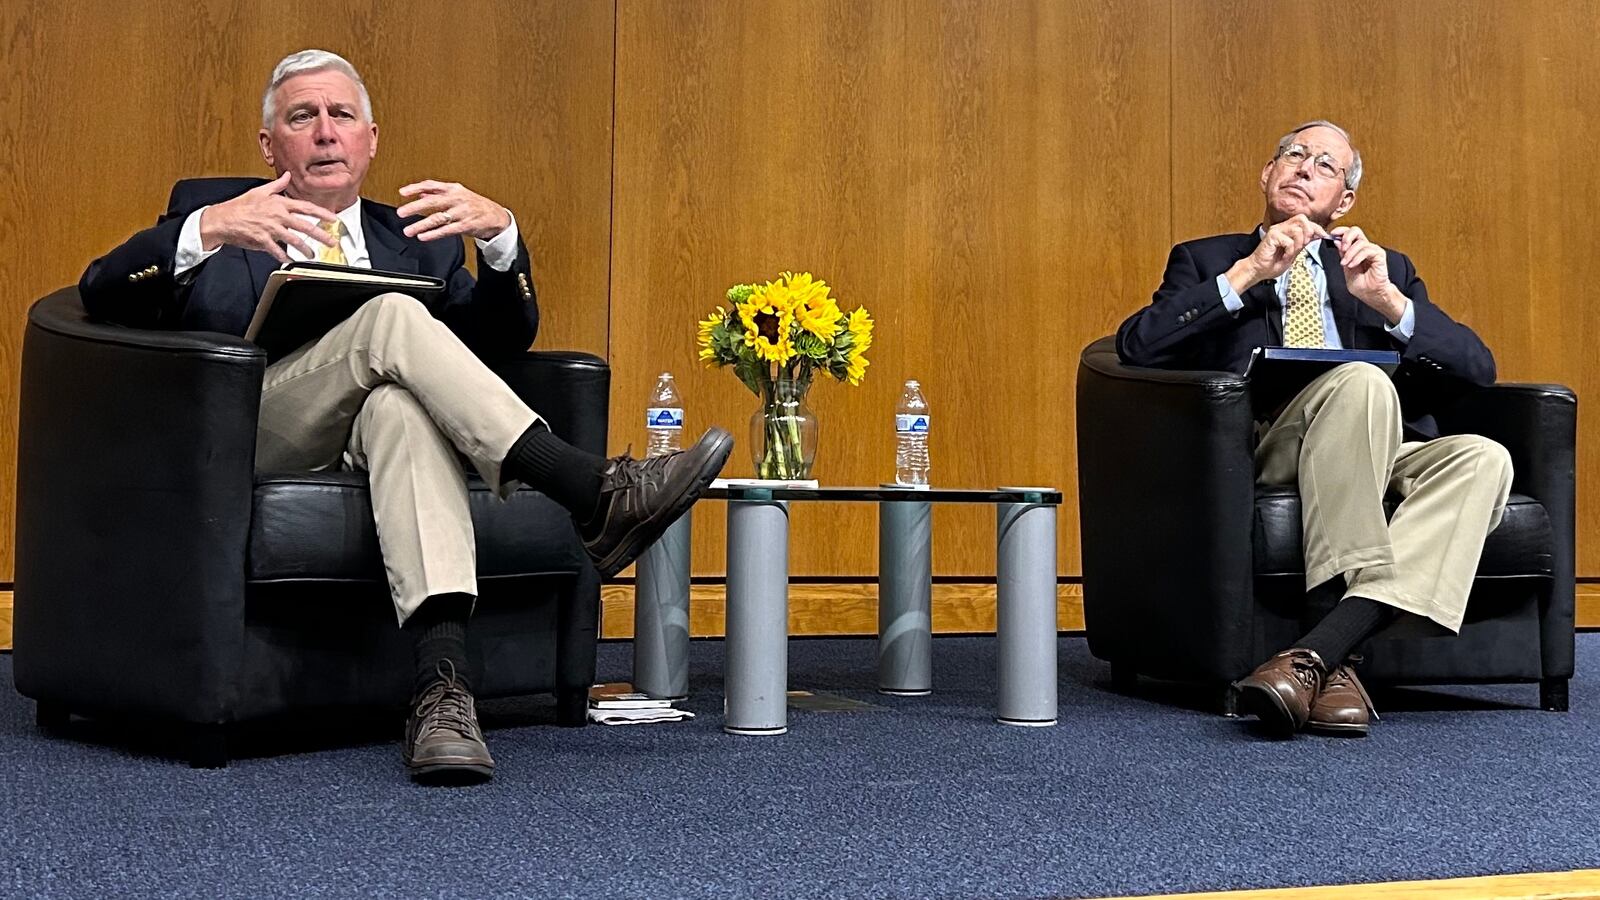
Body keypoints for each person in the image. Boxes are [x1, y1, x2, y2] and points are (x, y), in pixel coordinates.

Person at [78, 49, 733, 782]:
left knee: (400, 408)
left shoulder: (414, 237)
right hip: (255, 432)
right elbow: (101, 294)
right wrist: (203, 232)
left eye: (341, 115)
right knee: (390, 314)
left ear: (371, 139)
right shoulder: (219, 216)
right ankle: (590, 490)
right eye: (302, 117)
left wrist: (500, 241)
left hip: (368, 439)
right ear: (270, 146)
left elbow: (493, 346)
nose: (325, 132)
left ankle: (441, 694)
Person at [1115, 120, 1512, 738]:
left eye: (1326, 166)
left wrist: (1386, 302)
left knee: (1483, 458)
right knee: (1361, 380)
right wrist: (1249, 273)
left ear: (1345, 201)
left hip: (1381, 445)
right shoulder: (1208, 258)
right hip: (1270, 442)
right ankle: (1338, 648)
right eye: (1294, 156)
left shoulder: (1385, 270)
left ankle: (1319, 654)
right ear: (1267, 176)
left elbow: (1478, 368)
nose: (1304, 168)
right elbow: (1137, 347)